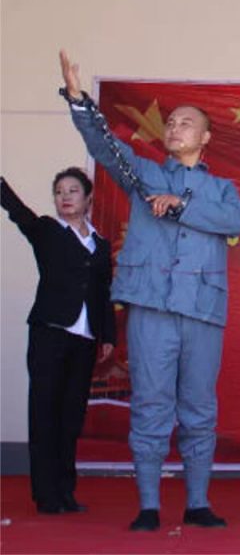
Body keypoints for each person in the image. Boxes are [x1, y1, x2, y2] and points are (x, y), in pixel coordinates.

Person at [59, 50, 240, 531]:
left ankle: (198, 503)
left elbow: (233, 223)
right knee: (149, 403)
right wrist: (80, 100)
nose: (176, 127)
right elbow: (103, 147)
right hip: (152, 307)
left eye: (187, 123)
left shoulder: (223, 189)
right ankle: (148, 505)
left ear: (204, 138)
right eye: (172, 122)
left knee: (199, 408)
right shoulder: (144, 174)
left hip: (203, 310)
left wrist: (179, 207)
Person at [1, 171, 115, 515]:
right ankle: (46, 495)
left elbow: (103, 294)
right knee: (44, 413)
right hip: (50, 333)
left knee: (70, 418)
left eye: (73, 191)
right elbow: (20, 214)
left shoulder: (100, 244)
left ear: (88, 199)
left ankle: (66, 491)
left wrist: (108, 335)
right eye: (59, 192)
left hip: (83, 340)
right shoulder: (49, 232)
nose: (65, 197)